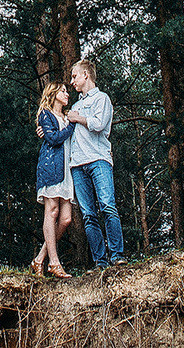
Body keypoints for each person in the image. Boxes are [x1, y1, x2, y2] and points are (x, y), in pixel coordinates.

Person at [62, 58, 124, 268]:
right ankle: (100, 262)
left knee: (107, 207)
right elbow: (66, 135)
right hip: (77, 165)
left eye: (74, 76)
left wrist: (78, 118)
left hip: (99, 160)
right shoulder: (76, 106)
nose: (72, 82)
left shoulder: (102, 99)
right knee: (88, 215)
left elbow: (99, 125)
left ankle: (117, 257)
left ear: (86, 75)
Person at [30, 82, 76, 278]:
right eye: (63, 91)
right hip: (51, 168)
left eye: (67, 91)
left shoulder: (67, 117)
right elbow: (54, 139)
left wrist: (71, 122)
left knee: (66, 219)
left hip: (67, 170)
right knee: (52, 211)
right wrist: (72, 125)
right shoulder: (46, 115)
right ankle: (54, 263)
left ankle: (40, 259)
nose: (67, 94)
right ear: (53, 93)